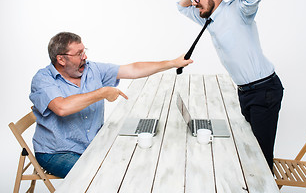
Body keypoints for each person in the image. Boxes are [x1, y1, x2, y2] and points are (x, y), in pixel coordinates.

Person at [29, 32, 193, 178]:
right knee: (102, 175)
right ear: (61, 59)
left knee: (135, 162)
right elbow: (61, 108)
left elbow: (133, 69)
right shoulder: (43, 79)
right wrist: (101, 93)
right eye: (79, 54)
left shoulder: (92, 69)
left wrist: (172, 63)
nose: (84, 57)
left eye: (84, 51)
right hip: (57, 152)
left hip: (92, 144)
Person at [177, 0, 284, 171]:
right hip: (245, 92)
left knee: (261, 156)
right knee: (251, 149)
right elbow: (180, 7)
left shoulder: (239, 11)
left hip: (265, 91)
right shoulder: (205, 16)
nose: (194, 2)